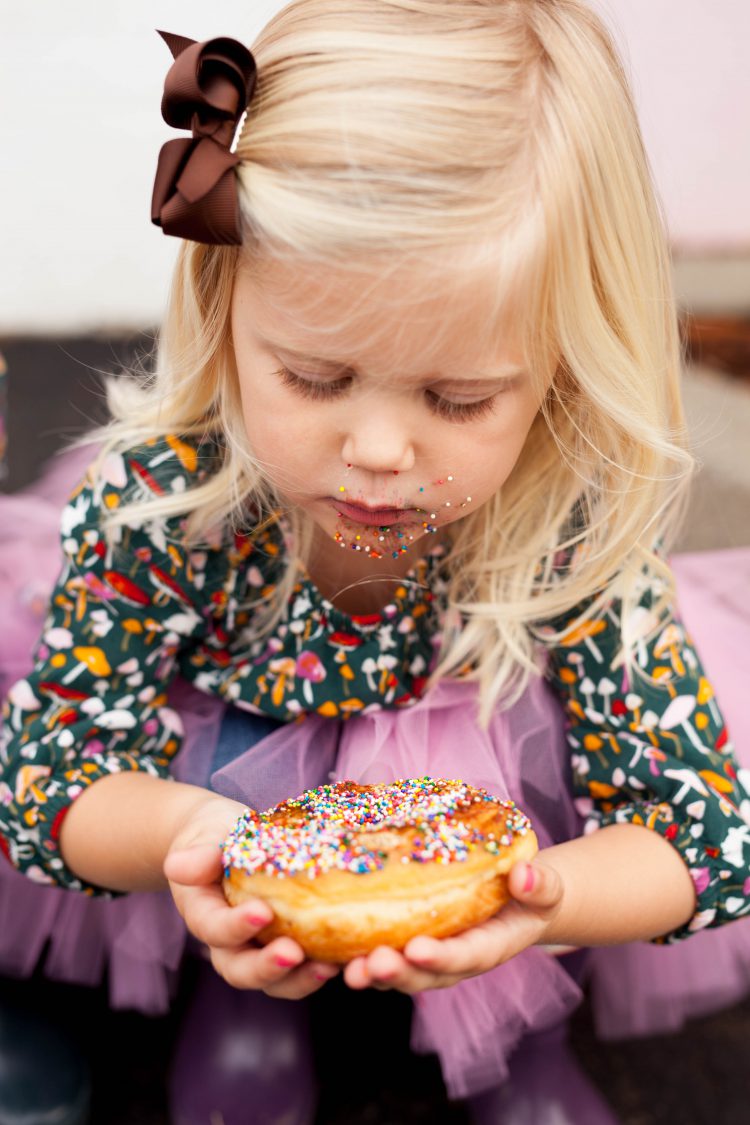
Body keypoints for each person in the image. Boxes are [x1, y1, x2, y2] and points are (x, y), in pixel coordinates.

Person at [1, 3, 749, 1123]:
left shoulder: (571, 529)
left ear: (560, 366)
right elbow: (49, 774)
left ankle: (526, 1030)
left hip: (491, 793)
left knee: (539, 801)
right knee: (223, 782)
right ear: (225, 306)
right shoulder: (164, 511)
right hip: (235, 767)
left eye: (458, 398)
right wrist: (195, 846)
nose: (381, 454)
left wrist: (543, 911)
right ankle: (243, 998)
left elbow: (696, 830)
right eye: (313, 377)